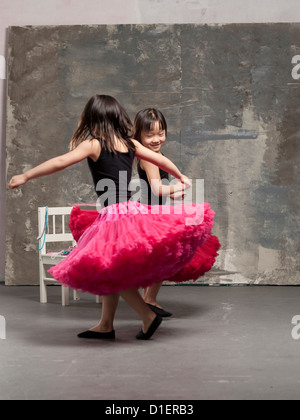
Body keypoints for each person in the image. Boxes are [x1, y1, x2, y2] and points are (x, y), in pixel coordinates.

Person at [8, 94, 216, 341]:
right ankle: (105, 324)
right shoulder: (130, 144)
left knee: (112, 271)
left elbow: (61, 161)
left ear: (93, 119)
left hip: (114, 217)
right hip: (130, 212)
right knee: (110, 267)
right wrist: (180, 175)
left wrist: (26, 176)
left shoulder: (94, 144)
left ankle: (147, 316)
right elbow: (160, 159)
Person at [133, 108, 221, 317]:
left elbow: (161, 190)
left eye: (160, 133)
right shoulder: (149, 158)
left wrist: (176, 194)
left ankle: (148, 299)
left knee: (161, 259)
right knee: (165, 257)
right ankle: (149, 299)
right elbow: (156, 189)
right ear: (138, 136)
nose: (156, 139)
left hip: (157, 211)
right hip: (151, 215)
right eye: (150, 135)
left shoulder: (156, 155)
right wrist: (182, 185)